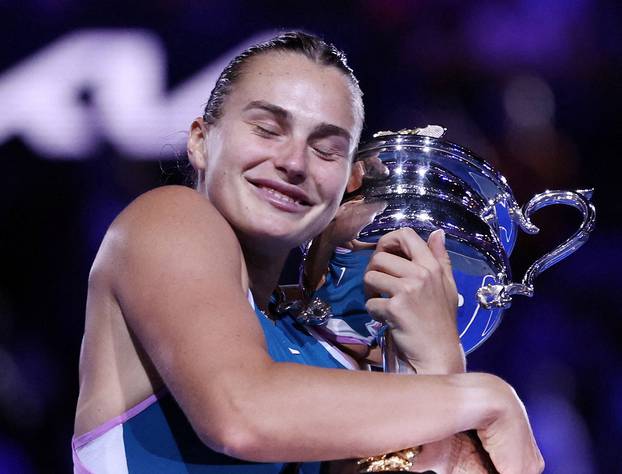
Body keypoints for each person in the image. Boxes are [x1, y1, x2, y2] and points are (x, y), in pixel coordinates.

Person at [72, 31, 544, 473]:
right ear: (200, 139)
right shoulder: (169, 220)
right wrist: (484, 395)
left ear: (349, 182)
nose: (294, 162)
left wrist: (438, 361)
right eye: (267, 128)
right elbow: (240, 414)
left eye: (326, 149)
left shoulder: (321, 360)